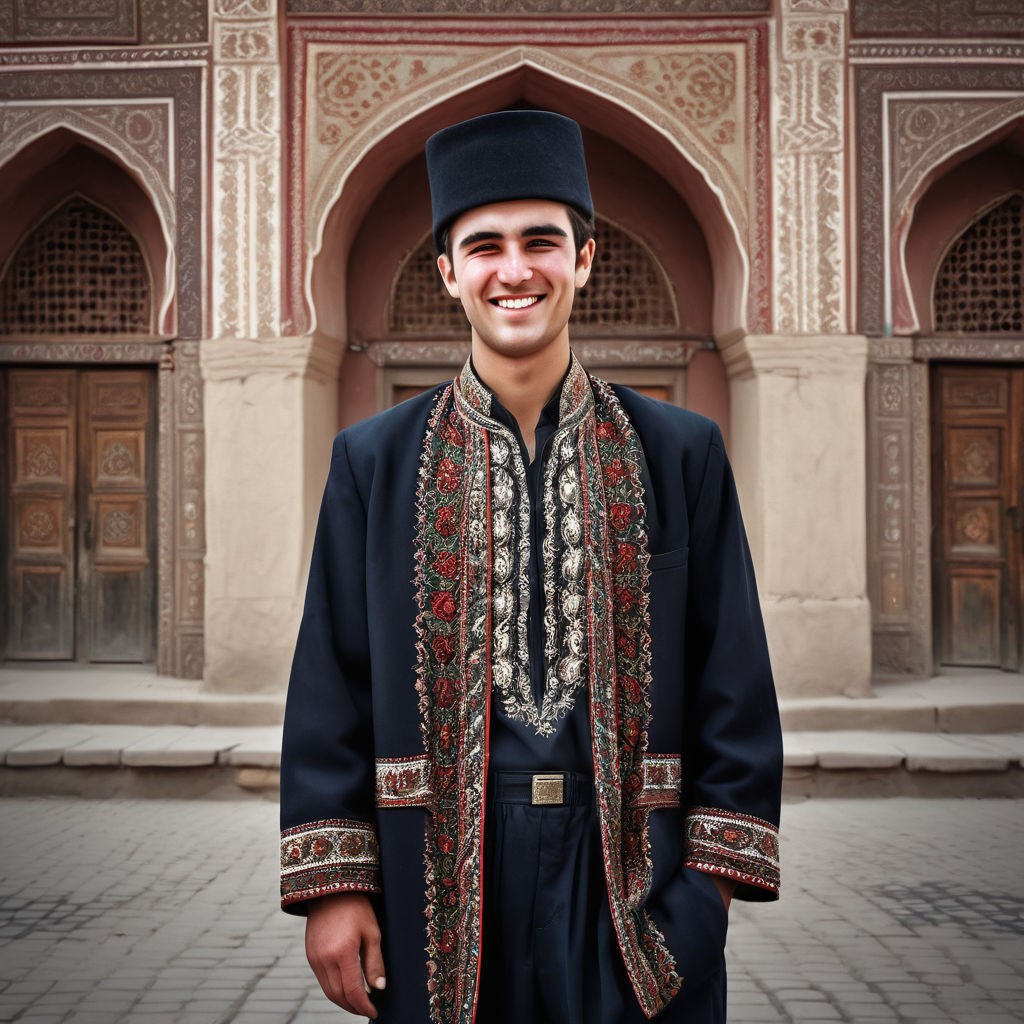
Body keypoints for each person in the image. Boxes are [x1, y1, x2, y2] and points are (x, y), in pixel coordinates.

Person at [279, 109, 782, 1024]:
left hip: (636, 883)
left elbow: (733, 674)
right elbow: (331, 678)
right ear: (449, 274)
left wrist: (705, 899)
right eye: (485, 247)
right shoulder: (375, 461)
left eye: (542, 242)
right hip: (435, 882)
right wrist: (333, 888)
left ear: (583, 260)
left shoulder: (679, 452)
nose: (515, 271)